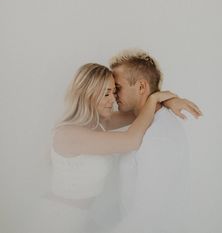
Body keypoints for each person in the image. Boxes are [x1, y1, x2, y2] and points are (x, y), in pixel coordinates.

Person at [48, 61, 201, 232]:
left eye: (114, 91)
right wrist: (155, 97)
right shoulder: (68, 135)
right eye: (106, 94)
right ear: (88, 94)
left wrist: (170, 100)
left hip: (82, 217)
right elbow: (131, 140)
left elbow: (139, 111)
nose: (113, 99)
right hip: (60, 219)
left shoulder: (97, 124)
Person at [108, 49, 200, 233]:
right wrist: (163, 99)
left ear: (141, 87)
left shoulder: (159, 137)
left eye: (118, 88)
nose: (113, 95)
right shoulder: (143, 122)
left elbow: (146, 216)